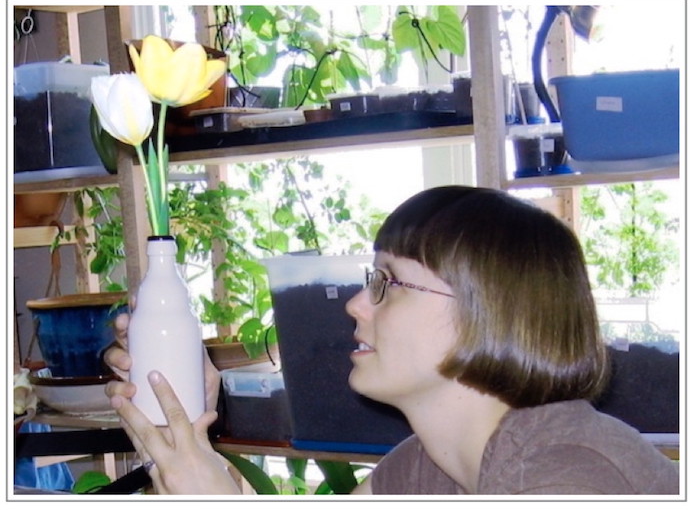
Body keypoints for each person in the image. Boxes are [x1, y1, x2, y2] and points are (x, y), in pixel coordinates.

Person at [105, 185, 679, 495]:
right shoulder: (431, 465)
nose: (356, 304)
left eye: (386, 283)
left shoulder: (567, 477)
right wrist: (187, 445)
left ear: (486, 313)